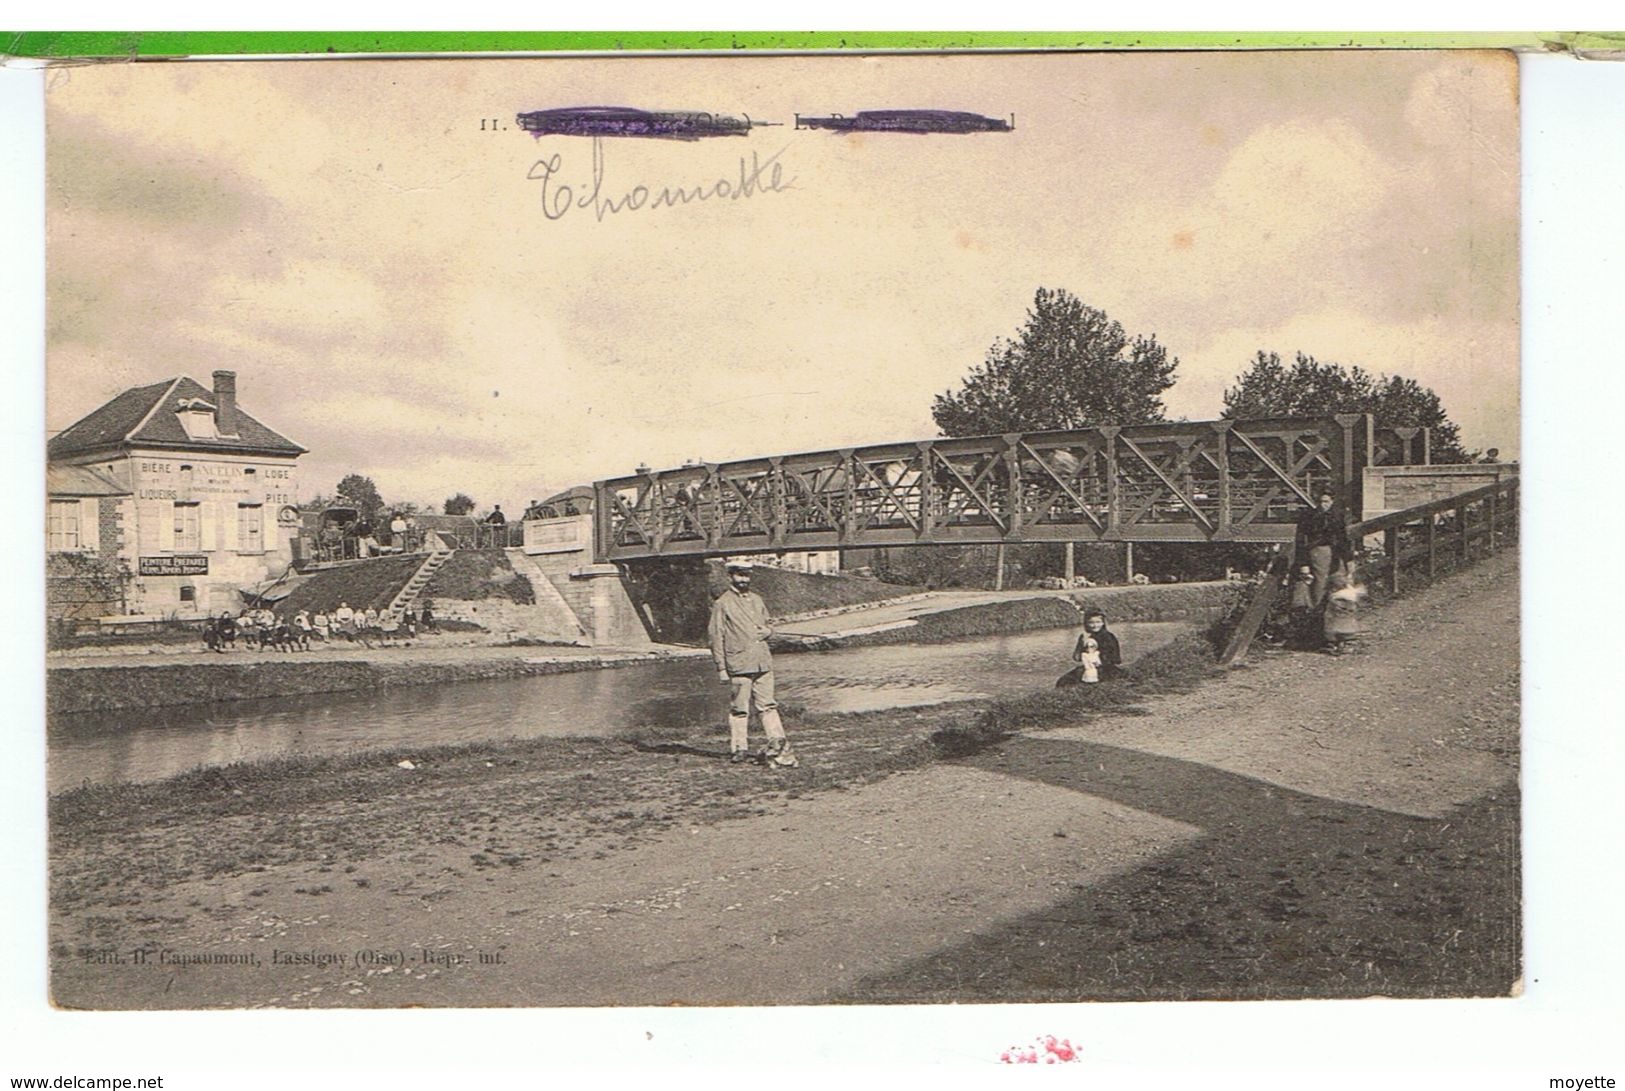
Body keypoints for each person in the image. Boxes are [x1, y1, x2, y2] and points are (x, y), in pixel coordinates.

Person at [708, 560, 797, 767]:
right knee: (740, 708)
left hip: (763, 663)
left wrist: (769, 632)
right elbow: (715, 637)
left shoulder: (757, 600)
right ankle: (739, 748)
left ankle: (779, 747)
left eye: (746, 576)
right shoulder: (722, 603)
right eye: (739, 575)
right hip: (738, 663)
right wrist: (721, 668)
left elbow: (769, 624)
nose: (743, 580)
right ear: (730, 576)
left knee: (768, 705)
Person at [1293, 488, 1355, 610]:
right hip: (1318, 551)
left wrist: (1349, 559)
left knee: (1340, 581)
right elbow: (1301, 541)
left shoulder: (1338, 516)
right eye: (1320, 502)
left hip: (1337, 552)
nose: (1323, 505)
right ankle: (1316, 611)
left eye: (1326, 502)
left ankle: (1339, 612)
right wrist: (1303, 563)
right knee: (1320, 583)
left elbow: (1344, 539)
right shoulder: (1309, 517)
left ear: (1332, 501)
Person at [1056, 609, 1123, 686]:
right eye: (1091, 622)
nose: (1095, 625)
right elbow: (1077, 658)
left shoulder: (1108, 637)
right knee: (1063, 681)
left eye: (1098, 622)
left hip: (1106, 668)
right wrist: (1082, 643)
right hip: (1088, 667)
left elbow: (1115, 658)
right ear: (1086, 623)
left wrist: (1098, 661)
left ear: (1103, 623)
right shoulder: (1084, 636)